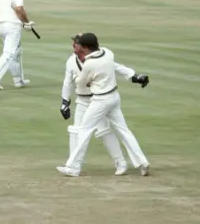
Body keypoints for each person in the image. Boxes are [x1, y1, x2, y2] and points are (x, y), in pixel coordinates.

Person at [57, 33, 150, 177]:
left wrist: (133, 76)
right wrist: (65, 101)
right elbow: (67, 82)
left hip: (99, 100)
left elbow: (81, 81)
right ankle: (142, 162)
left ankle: (73, 167)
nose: (75, 46)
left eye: (78, 43)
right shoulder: (107, 53)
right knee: (121, 130)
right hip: (100, 98)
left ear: (85, 47)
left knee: (86, 131)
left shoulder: (89, 63)